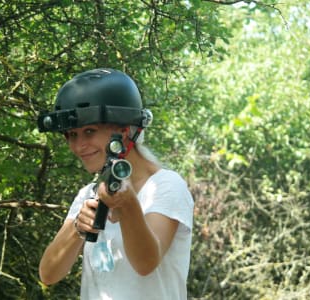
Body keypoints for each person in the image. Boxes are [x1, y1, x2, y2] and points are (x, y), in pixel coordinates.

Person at [38, 68, 194, 300]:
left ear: (123, 130)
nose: (79, 145)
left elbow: (145, 263)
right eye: (72, 135)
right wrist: (77, 229)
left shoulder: (166, 186)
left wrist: (129, 206)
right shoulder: (87, 195)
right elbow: (48, 274)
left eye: (89, 131)